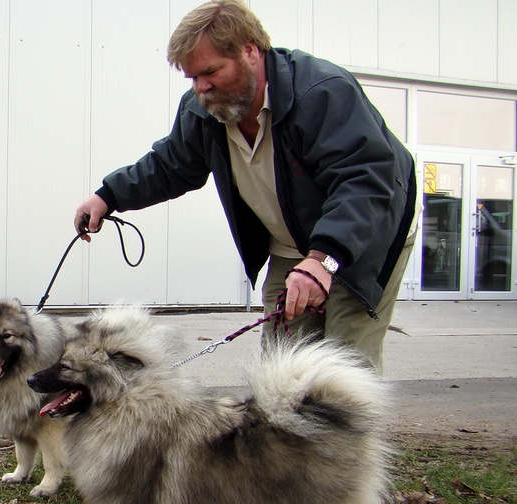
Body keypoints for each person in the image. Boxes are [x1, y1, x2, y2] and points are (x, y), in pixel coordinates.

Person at [74, 0, 416, 371]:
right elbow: (171, 164)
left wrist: (322, 260)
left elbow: (364, 180)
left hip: (363, 237)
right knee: (284, 364)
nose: (201, 88)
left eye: (210, 72)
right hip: (291, 245)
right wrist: (108, 196)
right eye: (192, 78)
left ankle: (348, 430)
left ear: (250, 51)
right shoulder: (203, 110)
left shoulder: (321, 93)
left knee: (345, 365)